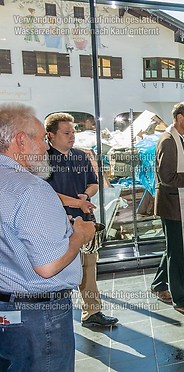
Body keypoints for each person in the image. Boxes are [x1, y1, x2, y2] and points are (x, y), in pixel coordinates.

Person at [0, 103, 95, 371]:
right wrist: (79, 234)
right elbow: (48, 266)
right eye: (41, 138)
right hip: (39, 318)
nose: (45, 147)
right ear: (20, 141)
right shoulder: (31, 189)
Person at [45, 112, 119, 328]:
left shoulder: (80, 156)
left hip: (84, 221)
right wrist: (78, 203)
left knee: (88, 268)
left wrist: (86, 196)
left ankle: (92, 311)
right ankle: (57, 317)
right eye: (66, 133)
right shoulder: (42, 160)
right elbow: (48, 195)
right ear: (51, 135)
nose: (72, 137)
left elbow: (94, 183)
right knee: (60, 270)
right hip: (57, 224)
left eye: (73, 132)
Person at [150, 101, 184, 315]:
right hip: (173, 205)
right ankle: (181, 299)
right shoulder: (168, 141)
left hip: (177, 203)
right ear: (179, 118)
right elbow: (167, 177)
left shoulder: (179, 139)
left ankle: (159, 285)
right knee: (178, 252)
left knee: (173, 249)